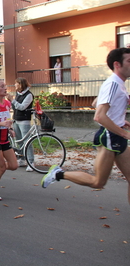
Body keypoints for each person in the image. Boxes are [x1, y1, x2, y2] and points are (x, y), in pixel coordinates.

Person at [41, 47, 130, 205]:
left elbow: (95, 103)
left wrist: (120, 120)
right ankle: (58, 174)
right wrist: (124, 133)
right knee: (98, 182)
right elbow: (99, 116)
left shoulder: (117, 84)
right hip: (110, 136)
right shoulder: (114, 84)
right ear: (117, 64)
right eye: (129, 61)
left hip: (115, 133)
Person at [7, 77, 34, 172]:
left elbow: (22, 107)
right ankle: (22, 159)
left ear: (21, 85)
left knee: (27, 142)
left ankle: (31, 162)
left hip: (24, 121)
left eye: (16, 84)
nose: (15, 85)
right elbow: (15, 107)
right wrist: (11, 102)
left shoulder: (29, 95)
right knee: (19, 141)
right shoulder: (18, 94)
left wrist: (13, 100)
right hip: (16, 119)